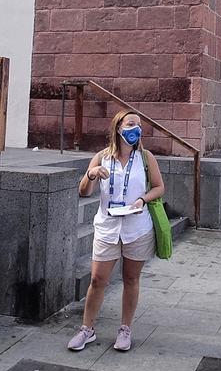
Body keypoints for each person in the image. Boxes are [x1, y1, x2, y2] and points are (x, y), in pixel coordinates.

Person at [68, 111, 165, 353]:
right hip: (107, 227)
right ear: (118, 127)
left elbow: (159, 187)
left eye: (140, 125)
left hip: (137, 228)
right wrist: (91, 174)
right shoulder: (102, 157)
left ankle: (125, 329)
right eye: (131, 124)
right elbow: (84, 191)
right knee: (97, 279)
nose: (136, 129)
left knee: (131, 279)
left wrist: (143, 199)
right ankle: (87, 329)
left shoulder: (146, 157)